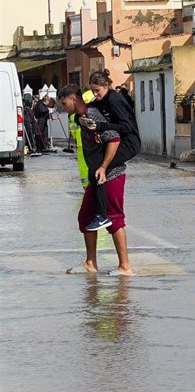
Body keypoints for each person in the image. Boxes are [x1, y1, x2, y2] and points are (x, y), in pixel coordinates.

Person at [58, 84, 134, 276]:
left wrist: (103, 167)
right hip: (96, 176)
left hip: (112, 174)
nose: (63, 107)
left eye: (64, 103)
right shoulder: (79, 117)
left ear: (73, 99)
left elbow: (114, 139)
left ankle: (125, 266)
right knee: (85, 216)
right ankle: (91, 263)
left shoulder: (93, 114)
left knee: (114, 218)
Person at [83, 69, 141, 231]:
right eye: (92, 91)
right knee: (95, 166)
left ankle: (103, 215)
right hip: (122, 141)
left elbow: (126, 127)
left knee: (99, 166)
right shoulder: (101, 99)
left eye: (98, 90)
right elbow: (90, 108)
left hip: (130, 143)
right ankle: (100, 213)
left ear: (107, 85)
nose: (96, 94)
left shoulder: (115, 100)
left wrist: (102, 126)